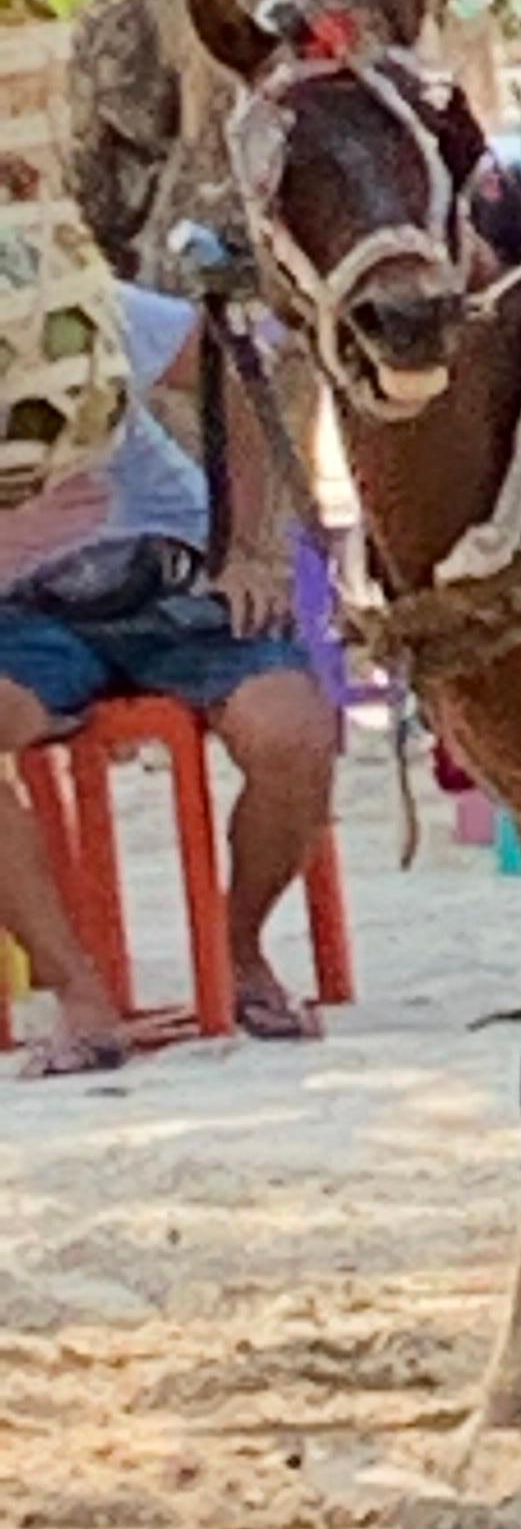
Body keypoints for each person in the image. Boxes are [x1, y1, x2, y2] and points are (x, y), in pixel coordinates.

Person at [0, 282, 339, 1075]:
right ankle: (80, 998)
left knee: (291, 734)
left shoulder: (53, 286)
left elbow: (230, 366)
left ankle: (241, 948)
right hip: (22, 612)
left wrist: (250, 547)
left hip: (171, 569)